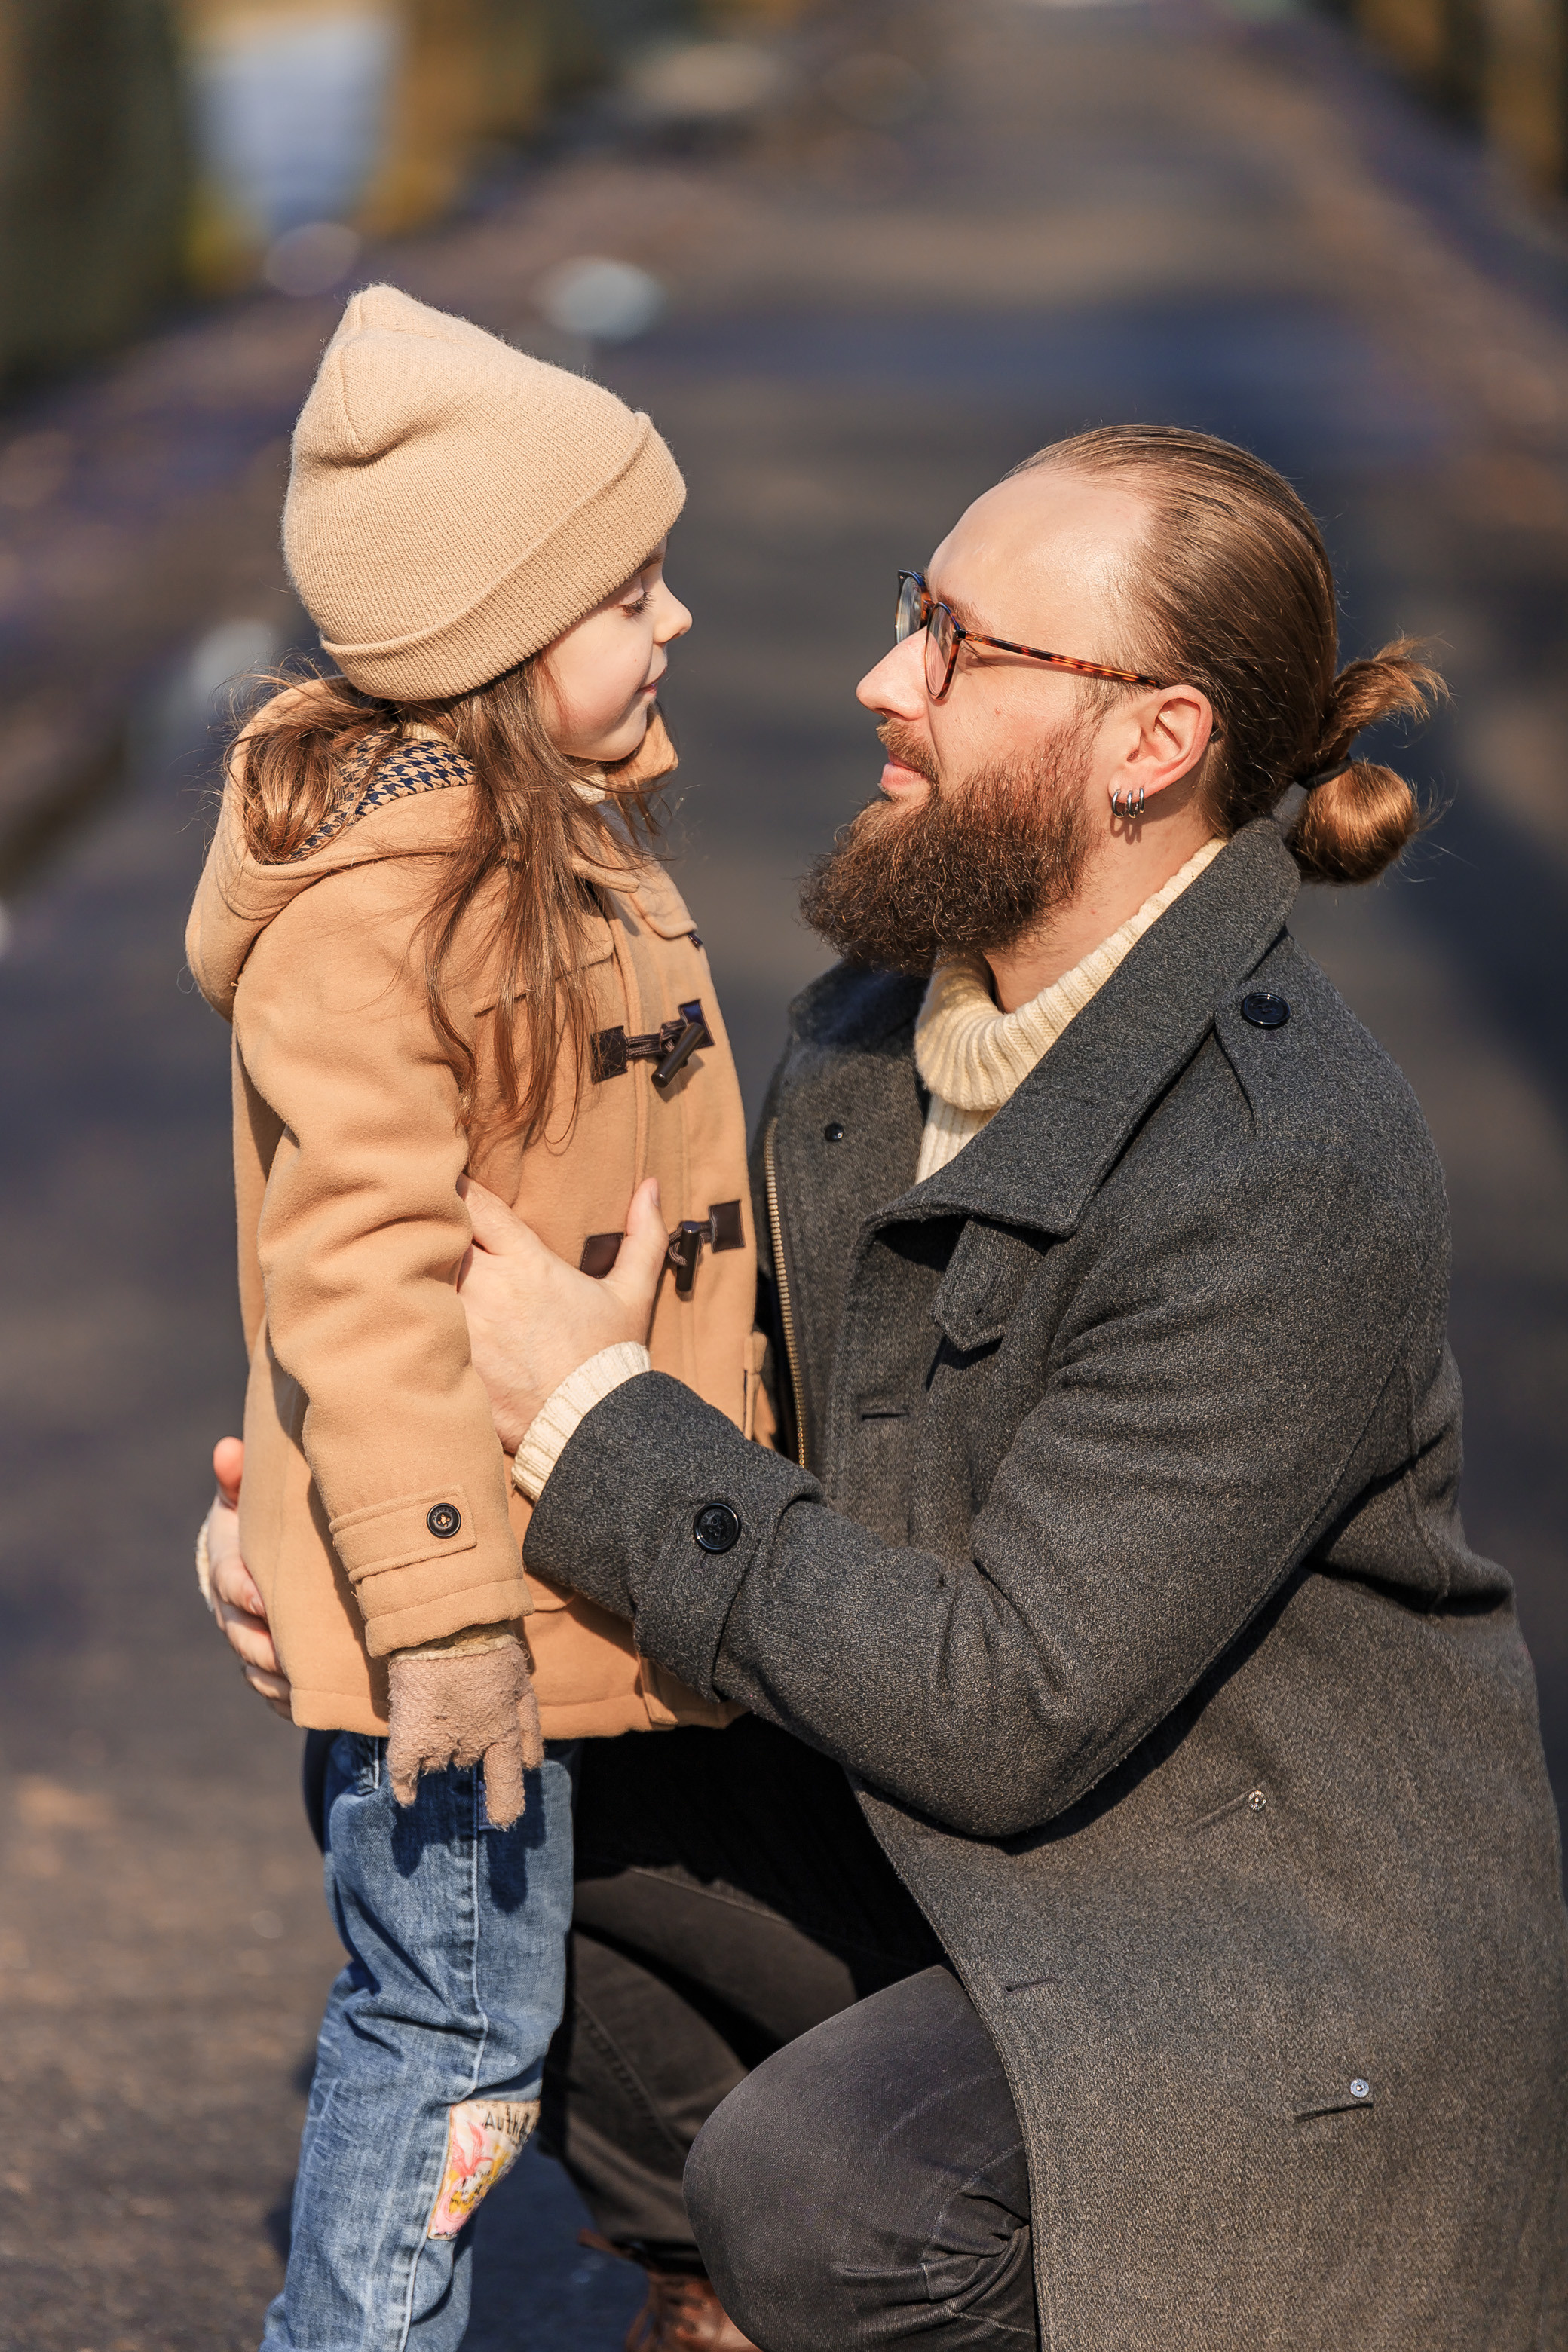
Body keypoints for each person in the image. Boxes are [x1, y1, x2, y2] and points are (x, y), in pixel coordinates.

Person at [210, 425, 1568, 2348]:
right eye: (905, 616)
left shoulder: (1287, 1163)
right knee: (469, 1758)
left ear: (1148, 744)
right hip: (966, 1831)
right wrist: (333, 1522)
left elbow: (1001, 1704)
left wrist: (583, 1420)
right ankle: (714, 2304)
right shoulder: (872, 1027)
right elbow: (679, 1386)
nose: (880, 680)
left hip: (1247, 1926)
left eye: (956, 642)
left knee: (833, 2191)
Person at [187, 282, 762, 2352]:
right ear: (505, 642)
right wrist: (439, 1623)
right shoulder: (380, 912)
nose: (675, 621)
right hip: (462, 1630)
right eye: (629, 591)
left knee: (490, 2016)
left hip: (553, 1577)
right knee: (452, 2021)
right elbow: (354, 1280)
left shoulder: (555, 846)